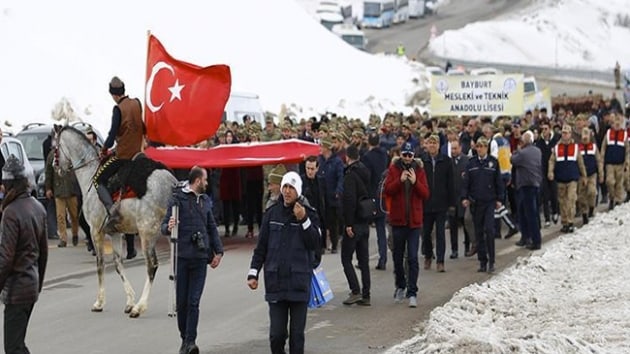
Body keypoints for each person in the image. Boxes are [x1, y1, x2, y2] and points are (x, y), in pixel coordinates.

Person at [247, 171, 321, 354]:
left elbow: (315, 244)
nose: (287, 191)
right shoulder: (271, 214)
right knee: (276, 335)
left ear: (298, 191)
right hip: (276, 282)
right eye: (285, 187)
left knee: (297, 337)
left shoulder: (309, 214)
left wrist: (303, 220)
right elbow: (261, 246)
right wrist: (253, 272)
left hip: (299, 283)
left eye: (291, 188)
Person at [161, 166, 223, 354]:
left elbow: (211, 227)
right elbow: (164, 226)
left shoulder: (205, 202)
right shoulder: (177, 199)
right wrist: (168, 226)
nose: (207, 183)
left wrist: (218, 251)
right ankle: (184, 339)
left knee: (194, 302)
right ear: (197, 181)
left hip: (200, 258)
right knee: (182, 303)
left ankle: (190, 341)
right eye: (205, 180)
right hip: (181, 258)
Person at [0, 155, 48, 354]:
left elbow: (5, 259)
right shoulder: (38, 207)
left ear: (10, 184)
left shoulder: (11, 212)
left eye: (4, 183)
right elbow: (43, 254)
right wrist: (38, 285)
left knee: (13, 348)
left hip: (17, 290)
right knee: (17, 345)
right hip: (30, 286)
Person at [95, 76, 144, 233]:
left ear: (114, 95)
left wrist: (104, 149)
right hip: (139, 153)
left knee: (98, 180)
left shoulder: (118, 109)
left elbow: (111, 136)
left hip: (123, 156)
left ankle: (112, 213)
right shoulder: (137, 103)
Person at [384, 142, 430, 308]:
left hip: (414, 222)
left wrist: (416, 181)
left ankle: (412, 291)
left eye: (410, 155)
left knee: (412, 257)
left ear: (414, 156)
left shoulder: (419, 170)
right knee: (397, 257)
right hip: (398, 220)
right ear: (401, 155)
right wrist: (399, 180)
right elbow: (388, 190)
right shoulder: (394, 169)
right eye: (405, 155)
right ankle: (400, 286)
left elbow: (425, 193)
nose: (408, 158)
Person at [461, 137, 504, 273]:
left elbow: (499, 182)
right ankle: (482, 261)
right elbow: (466, 182)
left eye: (482, 146)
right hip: (476, 202)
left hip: (489, 201)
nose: (480, 149)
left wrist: (499, 199)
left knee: (489, 230)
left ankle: (491, 261)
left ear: (487, 147)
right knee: (478, 232)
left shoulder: (493, 162)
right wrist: (464, 197)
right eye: (478, 146)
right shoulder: (471, 163)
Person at [341, 145, 372, 306]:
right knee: (363, 260)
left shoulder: (349, 175)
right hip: (365, 219)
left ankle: (355, 291)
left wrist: (348, 224)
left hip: (354, 222)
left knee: (346, 258)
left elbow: (349, 200)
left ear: (347, 157)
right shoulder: (365, 172)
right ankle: (366, 294)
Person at [420, 135, 455, 273]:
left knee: (440, 233)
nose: (432, 146)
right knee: (426, 233)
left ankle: (440, 261)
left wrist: (451, 203)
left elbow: (450, 183)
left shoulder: (446, 161)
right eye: (430, 143)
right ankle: (428, 256)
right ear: (426, 145)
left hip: (441, 203)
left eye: (435, 143)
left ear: (439, 145)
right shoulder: (422, 161)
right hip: (426, 203)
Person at [548, 124, 587, 233]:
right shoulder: (556, 147)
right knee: (562, 202)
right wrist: (550, 172)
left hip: (572, 179)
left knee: (571, 200)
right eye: (563, 133)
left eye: (566, 133)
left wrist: (584, 176)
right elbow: (551, 161)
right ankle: (564, 222)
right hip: (560, 179)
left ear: (570, 134)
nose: (564, 135)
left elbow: (581, 163)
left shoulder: (575, 148)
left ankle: (570, 222)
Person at [360, 132, 389, 270]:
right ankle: (383, 258)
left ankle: (363, 260)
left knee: (364, 230)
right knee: (381, 229)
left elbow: (366, 177)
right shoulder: (385, 155)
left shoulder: (366, 157)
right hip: (383, 195)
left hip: (371, 196)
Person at [510, 131, 543, 250]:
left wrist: (517, 150)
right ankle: (526, 237)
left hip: (526, 185)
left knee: (530, 214)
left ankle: (535, 240)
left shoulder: (523, 153)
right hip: (534, 183)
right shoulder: (537, 151)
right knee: (524, 212)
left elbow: (512, 160)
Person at [45, 148, 80, 248]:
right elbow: (48, 172)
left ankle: (75, 233)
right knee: (60, 216)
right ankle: (63, 238)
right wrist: (48, 188)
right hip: (58, 190)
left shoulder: (71, 152)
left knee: (74, 215)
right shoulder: (52, 155)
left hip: (71, 189)